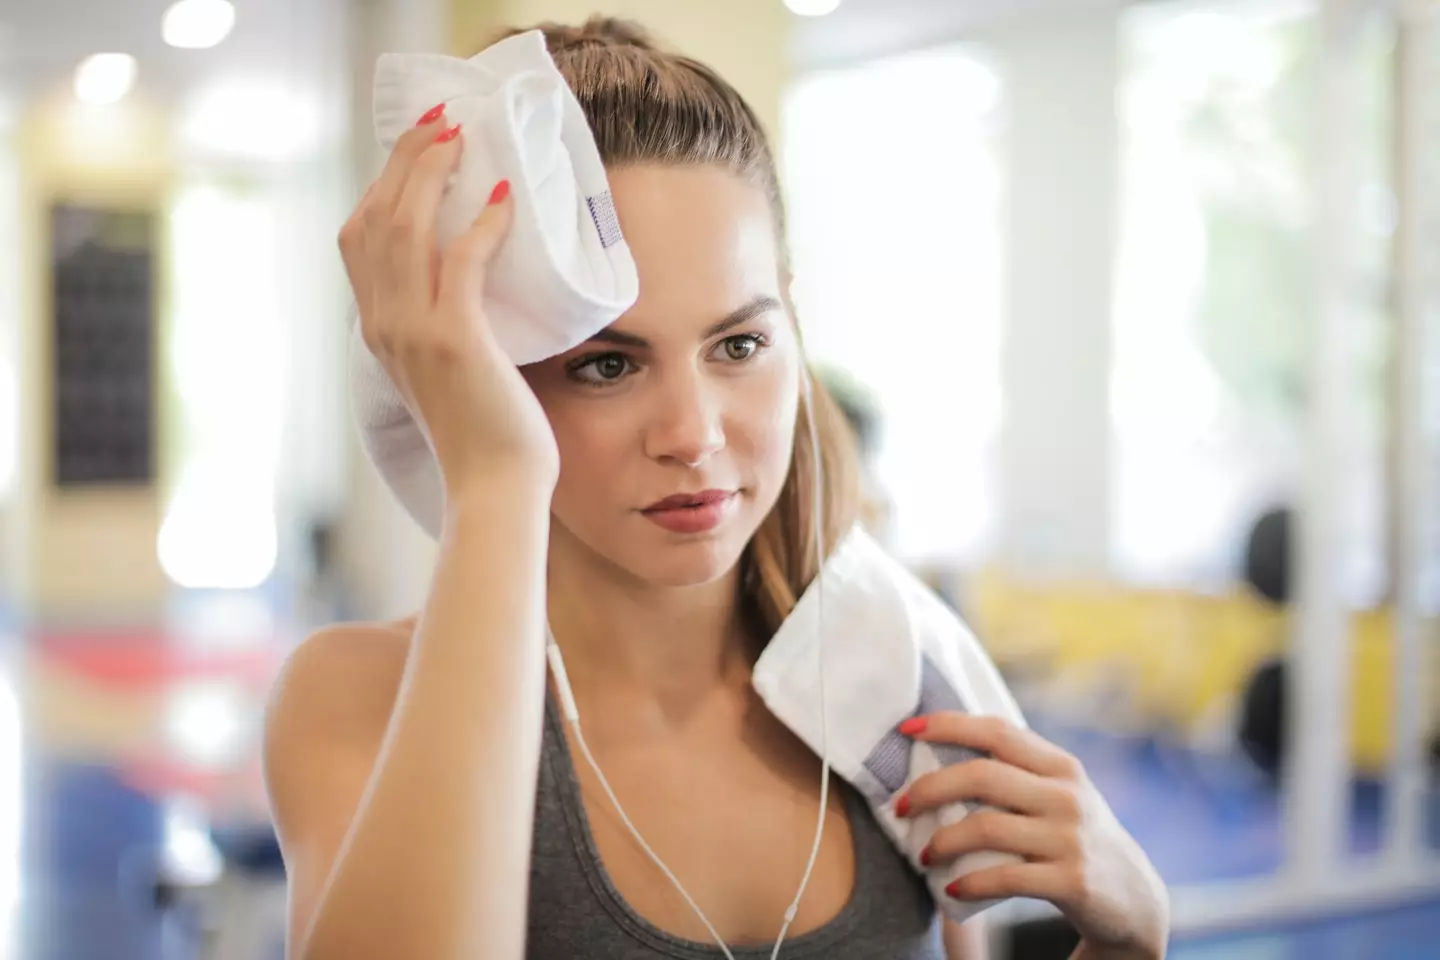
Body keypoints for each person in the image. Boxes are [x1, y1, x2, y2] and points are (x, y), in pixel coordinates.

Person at [262, 17, 1169, 960]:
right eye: (606, 365)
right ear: (483, 366)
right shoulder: (356, 700)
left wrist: (1130, 935)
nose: (694, 436)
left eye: (738, 344)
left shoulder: (891, 684)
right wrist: (493, 478)